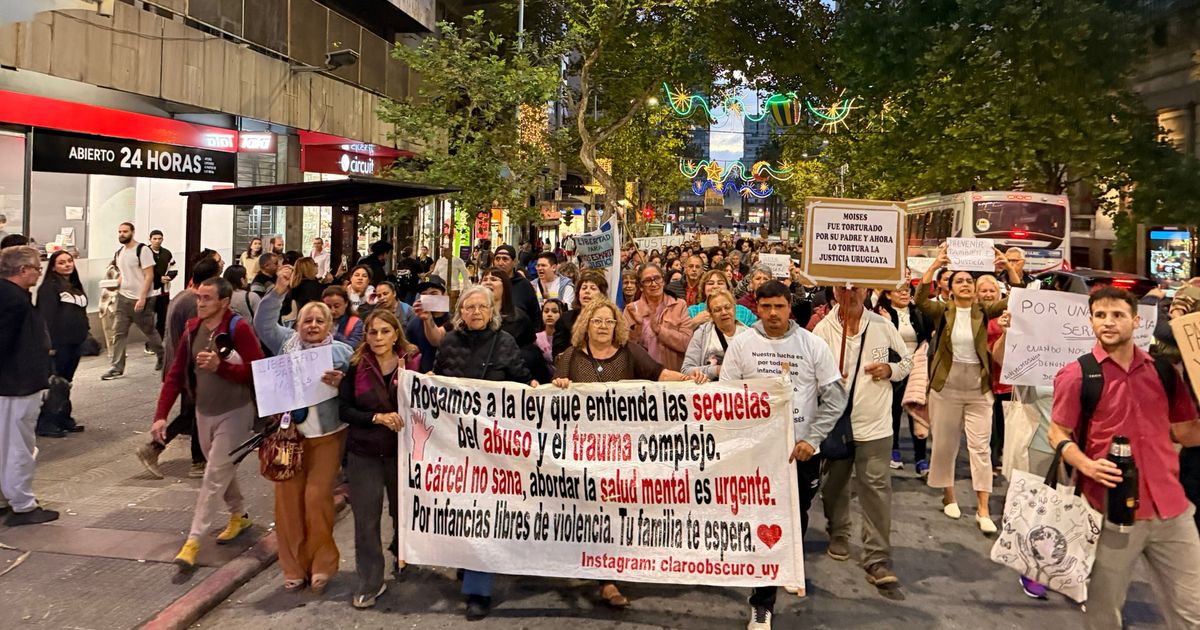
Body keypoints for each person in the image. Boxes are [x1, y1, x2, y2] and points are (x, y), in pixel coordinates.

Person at [1049, 287, 1200, 630]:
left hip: (1172, 510)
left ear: (1136, 320)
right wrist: (1085, 464)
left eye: (1117, 315)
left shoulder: (1164, 373)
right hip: (1111, 513)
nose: (1108, 322)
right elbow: (1057, 432)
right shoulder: (1077, 375)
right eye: (1100, 316)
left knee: (1193, 612)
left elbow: (1188, 433)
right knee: (1104, 615)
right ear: (1090, 321)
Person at [551, 297, 706, 608]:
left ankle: (608, 577)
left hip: (621, 450)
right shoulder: (568, 357)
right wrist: (559, 384)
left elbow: (660, 375)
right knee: (588, 514)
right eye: (597, 321)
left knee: (611, 513)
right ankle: (596, 573)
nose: (604, 327)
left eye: (609, 321)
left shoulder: (629, 352)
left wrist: (691, 379)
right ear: (586, 325)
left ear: (617, 325)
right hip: (581, 451)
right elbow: (553, 394)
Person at [720, 280, 848, 629]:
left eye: (779, 307)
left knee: (797, 514)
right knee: (763, 519)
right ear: (756, 308)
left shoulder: (811, 344)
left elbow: (835, 396)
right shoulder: (742, 344)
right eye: (766, 307)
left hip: (801, 452)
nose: (773, 314)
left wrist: (814, 438)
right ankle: (762, 601)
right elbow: (727, 396)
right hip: (757, 453)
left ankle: (787, 563)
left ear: (790, 307)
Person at [432, 285, 535, 620]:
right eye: (469, 307)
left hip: (494, 448)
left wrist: (533, 386)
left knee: (483, 513)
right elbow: (437, 379)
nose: (475, 312)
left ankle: (479, 590)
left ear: (492, 311)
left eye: (482, 307)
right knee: (460, 509)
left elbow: (521, 381)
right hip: (455, 444)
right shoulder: (449, 343)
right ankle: (470, 561)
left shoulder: (504, 342)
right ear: (460, 312)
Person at [152, 277, 265, 568]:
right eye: (199, 298)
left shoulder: (238, 328)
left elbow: (258, 370)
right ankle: (238, 515)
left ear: (224, 302)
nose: (200, 303)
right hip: (204, 413)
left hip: (236, 412)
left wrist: (222, 367)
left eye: (207, 298)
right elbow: (176, 374)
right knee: (221, 469)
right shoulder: (193, 329)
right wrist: (161, 415)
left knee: (213, 475)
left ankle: (193, 541)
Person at [255, 266, 352, 594]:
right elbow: (262, 324)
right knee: (288, 502)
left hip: (326, 437)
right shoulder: (285, 344)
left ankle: (322, 563)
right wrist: (279, 290)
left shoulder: (340, 353)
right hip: (288, 437)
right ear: (297, 324)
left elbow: (356, 388)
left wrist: (343, 382)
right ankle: (293, 567)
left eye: (319, 321)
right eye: (307, 320)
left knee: (315, 498)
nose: (312, 325)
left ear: (330, 326)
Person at [812, 285, 912, 587]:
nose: (850, 292)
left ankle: (877, 558)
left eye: (856, 287)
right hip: (836, 425)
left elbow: (907, 362)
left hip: (876, 425)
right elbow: (809, 373)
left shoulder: (882, 326)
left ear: (867, 289)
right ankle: (839, 531)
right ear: (833, 290)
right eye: (843, 287)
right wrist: (827, 380)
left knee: (877, 492)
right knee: (833, 487)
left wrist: (890, 369)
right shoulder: (821, 330)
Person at [916, 244, 1018, 534]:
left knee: (980, 448)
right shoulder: (941, 310)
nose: (964, 284)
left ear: (975, 289)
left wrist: (1008, 269)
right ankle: (949, 495)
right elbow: (920, 299)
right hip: (946, 388)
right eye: (958, 280)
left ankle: (983, 508)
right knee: (946, 445)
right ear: (949, 288)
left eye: (968, 281)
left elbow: (1018, 299)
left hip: (978, 388)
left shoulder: (984, 311)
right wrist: (935, 265)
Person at [338, 309, 419, 609]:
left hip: (403, 453)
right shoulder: (355, 365)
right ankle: (371, 580)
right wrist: (376, 417)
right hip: (364, 453)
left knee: (404, 513)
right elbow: (344, 409)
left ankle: (403, 553)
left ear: (396, 333)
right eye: (373, 332)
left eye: (385, 331)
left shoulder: (413, 363)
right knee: (366, 519)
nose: (379, 337)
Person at [135, 259, 221, 479]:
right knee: (194, 412)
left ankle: (192, 458)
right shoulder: (195, 303)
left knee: (191, 413)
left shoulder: (182, 297)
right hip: (188, 368)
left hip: (179, 365)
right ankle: (190, 459)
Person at [0, 246, 58, 525]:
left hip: (11, 384)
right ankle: (22, 504)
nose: (38, 272)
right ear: (22, 270)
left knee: (7, 445)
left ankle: (9, 498)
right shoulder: (14, 301)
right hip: (16, 384)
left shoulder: (11, 296)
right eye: (36, 267)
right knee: (18, 446)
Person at [876, 284, 932, 474]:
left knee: (918, 411)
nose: (904, 293)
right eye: (899, 290)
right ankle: (893, 450)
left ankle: (921, 458)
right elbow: (881, 341)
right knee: (893, 412)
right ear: (888, 294)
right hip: (894, 367)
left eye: (907, 290)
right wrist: (889, 323)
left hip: (917, 368)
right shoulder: (882, 313)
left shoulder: (918, 312)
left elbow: (928, 336)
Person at [35, 250, 89, 437]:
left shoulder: (74, 285)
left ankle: (64, 417)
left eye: (69, 261)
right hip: (58, 344)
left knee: (66, 382)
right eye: (61, 262)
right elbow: (45, 317)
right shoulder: (49, 287)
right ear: (53, 266)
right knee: (55, 383)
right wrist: (48, 344)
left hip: (75, 343)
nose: (67, 265)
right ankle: (47, 422)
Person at [102, 222, 165, 380]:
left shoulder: (142, 250)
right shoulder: (120, 253)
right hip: (123, 298)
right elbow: (123, 274)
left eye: (125, 231)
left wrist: (142, 297)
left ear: (132, 232)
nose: (122, 234)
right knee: (119, 332)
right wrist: (116, 284)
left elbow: (149, 275)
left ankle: (163, 356)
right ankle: (117, 367)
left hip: (141, 298)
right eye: (119, 232)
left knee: (149, 331)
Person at [623, 263, 694, 372]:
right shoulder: (631, 310)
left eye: (657, 278)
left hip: (673, 375)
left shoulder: (679, 305)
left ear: (664, 281)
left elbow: (687, 344)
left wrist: (659, 330)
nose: (654, 283)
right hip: (642, 377)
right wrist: (637, 328)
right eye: (647, 280)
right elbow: (625, 350)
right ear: (641, 287)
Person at [976, 274, 1011, 472]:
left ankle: (1000, 457)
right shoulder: (975, 317)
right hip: (985, 379)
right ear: (977, 293)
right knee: (988, 425)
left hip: (1008, 380)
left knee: (1004, 423)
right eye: (984, 290)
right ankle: (990, 459)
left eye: (992, 291)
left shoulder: (1006, 316)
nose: (988, 294)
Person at [680, 289, 747, 381]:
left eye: (727, 307)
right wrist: (716, 370)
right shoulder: (701, 334)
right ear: (711, 314)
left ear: (734, 308)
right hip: (710, 391)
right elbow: (686, 370)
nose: (724, 312)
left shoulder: (748, 334)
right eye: (717, 310)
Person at [552, 270, 608, 359]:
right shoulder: (566, 319)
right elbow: (557, 353)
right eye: (584, 288)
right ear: (578, 293)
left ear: (602, 294)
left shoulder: (608, 319)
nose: (587, 291)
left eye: (593, 288)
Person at [408, 275, 450, 373]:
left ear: (444, 294)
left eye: (433, 293)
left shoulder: (455, 321)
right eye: (424, 294)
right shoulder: (413, 324)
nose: (429, 298)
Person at [494, 244, 543, 328]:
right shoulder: (488, 283)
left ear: (514, 262)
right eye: (497, 259)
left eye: (505, 259)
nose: (500, 263)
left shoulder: (524, 285)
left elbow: (536, 316)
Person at [688, 269, 757, 327]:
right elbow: (682, 337)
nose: (715, 286)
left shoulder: (744, 312)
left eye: (720, 283)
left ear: (727, 288)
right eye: (710, 283)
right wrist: (694, 322)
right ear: (703, 289)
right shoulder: (692, 311)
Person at [148, 229, 177, 345]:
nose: (157, 241)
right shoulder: (145, 252)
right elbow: (142, 271)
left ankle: (158, 342)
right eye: (155, 239)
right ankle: (150, 343)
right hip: (149, 291)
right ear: (150, 239)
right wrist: (158, 279)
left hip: (164, 291)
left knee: (162, 318)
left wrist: (169, 277)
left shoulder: (166, 253)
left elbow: (173, 268)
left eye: (159, 239)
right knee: (149, 319)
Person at [537, 298, 565, 367]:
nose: (549, 314)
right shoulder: (536, 338)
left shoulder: (566, 339)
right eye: (546, 311)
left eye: (554, 312)